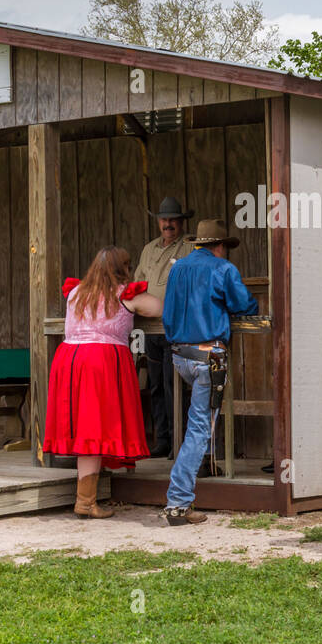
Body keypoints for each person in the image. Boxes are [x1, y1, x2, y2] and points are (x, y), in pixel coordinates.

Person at [44, 245, 162, 519]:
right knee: (93, 428)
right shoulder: (125, 295)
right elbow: (158, 308)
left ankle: (87, 496)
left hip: (69, 359)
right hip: (100, 361)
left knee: (86, 426)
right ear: (123, 269)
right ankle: (84, 501)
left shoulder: (75, 292)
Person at [161, 219, 258, 525]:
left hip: (180, 355)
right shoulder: (222, 269)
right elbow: (244, 305)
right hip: (209, 356)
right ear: (219, 246)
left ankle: (185, 492)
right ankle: (177, 503)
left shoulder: (177, 269)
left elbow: (167, 313)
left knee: (194, 426)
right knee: (199, 429)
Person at [133, 196, 195, 457]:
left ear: (181, 222)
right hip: (150, 327)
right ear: (158, 222)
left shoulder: (189, 247)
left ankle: (178, 441)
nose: (168, 224)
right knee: (156, 383)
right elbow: (138, 281)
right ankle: (163, 440)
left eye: (173, 220)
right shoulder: (148, 249)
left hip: (175, 326)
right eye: (164, 220)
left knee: (174, 384)